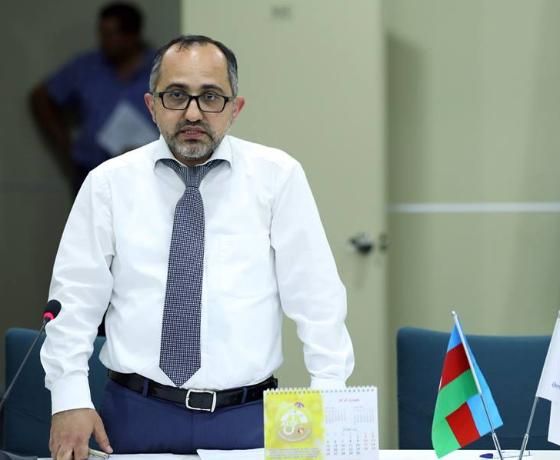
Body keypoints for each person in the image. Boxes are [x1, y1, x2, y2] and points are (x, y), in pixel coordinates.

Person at [40, 35, 354, 458]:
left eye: (210, 97)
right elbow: (74, 301)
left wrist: (330, 395)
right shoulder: (108, 184)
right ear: (151, 106)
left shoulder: (277, 177)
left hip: (249, 418)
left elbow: (317, 300)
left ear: (235, 108)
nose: (192, 113)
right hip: (133, 414)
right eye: (176, 95)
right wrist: (69, 398)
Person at [30, 2, 158, 194]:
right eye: (101, 33)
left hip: (146, 175)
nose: (103, 41)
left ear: (132, 36)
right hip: (91, 172)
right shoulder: (87, 67)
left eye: (110, 35)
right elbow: (41, 97)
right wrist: (65, 146)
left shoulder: (161, 68)